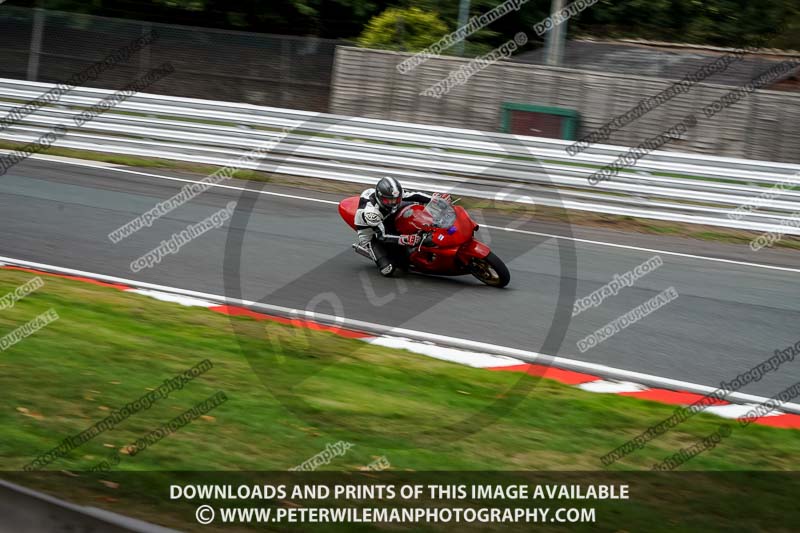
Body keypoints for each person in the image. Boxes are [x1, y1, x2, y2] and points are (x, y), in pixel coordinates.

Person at [353, 176, 444, 276]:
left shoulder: (392, 195)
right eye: (389, 201)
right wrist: (405, 239)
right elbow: (382, 235)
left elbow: (414, 195)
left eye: (396, 199)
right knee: (389, 269)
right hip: (373, 235)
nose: (393, 203)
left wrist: (435, 199)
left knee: (415, 205)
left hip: (386, 217)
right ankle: (372, 251)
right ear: (380, 197)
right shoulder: (371, 213)